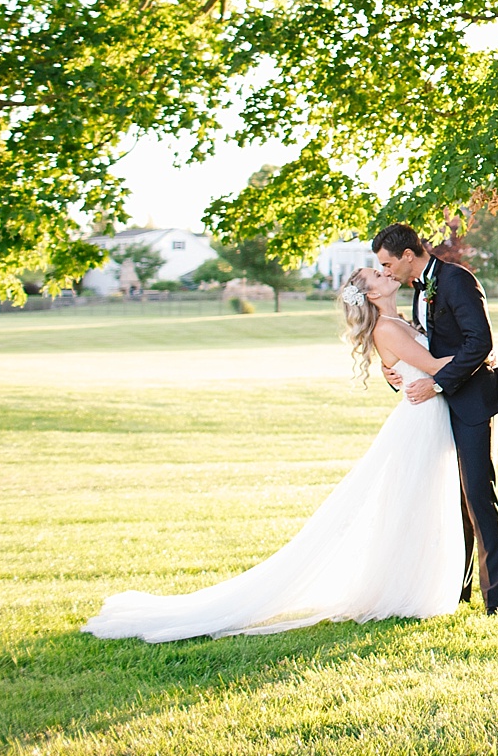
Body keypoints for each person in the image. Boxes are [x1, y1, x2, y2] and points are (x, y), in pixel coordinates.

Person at [83, 267, 464, 642]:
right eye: (377, 275)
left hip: (424, 414)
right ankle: (406, 591)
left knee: (418, 502)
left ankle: (409, 583)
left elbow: (417, 365)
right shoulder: (387, 327)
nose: (386, 273)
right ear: (372, 294)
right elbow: (432, 366)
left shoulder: (403, 321)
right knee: (415, 501)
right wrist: (482, 356)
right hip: (420, 420)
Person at [371, 222, 498, 613]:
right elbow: (417, 346)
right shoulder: (417, 293)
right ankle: (458, 587)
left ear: (407, 255)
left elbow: (480, 342)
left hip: (471, 402)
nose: (385, 271)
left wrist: (437, 382)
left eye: (387, 263)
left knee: (478, 497)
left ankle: (494, 600)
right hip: (435, 411)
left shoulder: (457, 280)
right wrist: (394, 373)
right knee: (451, 500)